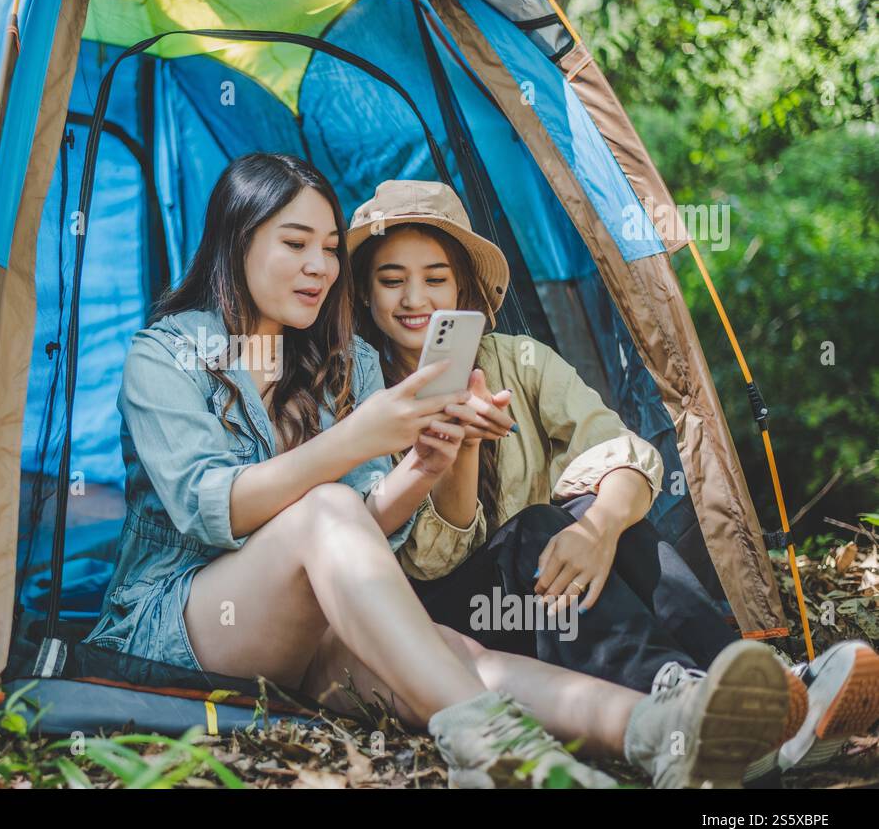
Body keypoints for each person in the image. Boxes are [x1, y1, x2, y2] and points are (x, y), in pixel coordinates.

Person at [80, 152, 793, 788]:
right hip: (188, 624)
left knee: (455, 656)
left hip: (312, 639)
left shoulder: (344, 361)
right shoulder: (168, 354)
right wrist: (357, 437)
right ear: (236, 245)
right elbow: (215, 506)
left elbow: (362, 527)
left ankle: (658, 732)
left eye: (329, 248)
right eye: (294, 244)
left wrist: (425, 464)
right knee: (328, 513)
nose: (319, 267)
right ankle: (481, 741)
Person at [345, 177, 879, 783]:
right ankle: (683, 698)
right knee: (538, 528)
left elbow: (619, 448)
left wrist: (598, 526)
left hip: (549, 603)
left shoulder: (517, 360)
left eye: (435, 278)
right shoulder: (361, 387)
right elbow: (432, 564)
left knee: (605, 514)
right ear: (364, 291)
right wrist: (458, 450)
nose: (415, 298)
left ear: (464, 288)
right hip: (451, 627)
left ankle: (762, 684)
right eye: (392, 280)